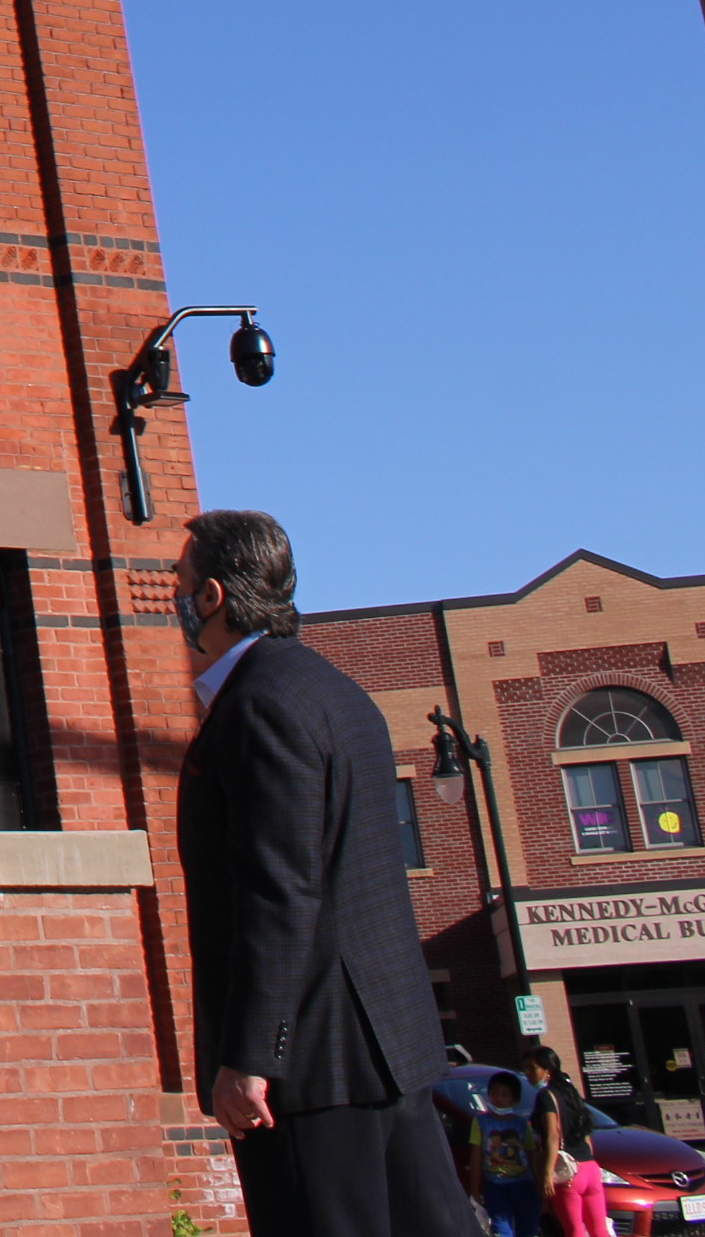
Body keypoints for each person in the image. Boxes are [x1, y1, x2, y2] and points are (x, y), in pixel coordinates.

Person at [172, 508, 466, 1236]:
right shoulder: (339, 693)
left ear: (211, 597)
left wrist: (250, 1056)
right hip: (392, 1055)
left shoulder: (258, 708)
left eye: (177, 584)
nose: (173, 602)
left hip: (311, 1067)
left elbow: (281, 890)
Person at [526, 1045, 608, 1237]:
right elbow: (587, 1134)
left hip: (568, 1172)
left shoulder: (546, 1096)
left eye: (533, 1067)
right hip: (591, 1168)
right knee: (600, 1230)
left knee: (574, 1231)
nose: (528, 1073)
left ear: (547, 1070)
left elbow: (552, 1135)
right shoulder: (571, 1093)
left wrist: (546, 1174)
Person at [466, 1070, 546, 1236]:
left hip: (524, 1185)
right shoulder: (481, 1121)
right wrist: (475, 1187)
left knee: (529, 1229)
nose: (499, 1099)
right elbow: (476, 1154)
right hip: (496, 1186)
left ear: (514, 1100)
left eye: (505, 1095)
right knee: (502, 1230)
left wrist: (539, 1183)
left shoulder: (522, 1124)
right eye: (494, 1094)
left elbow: (531, 1153)